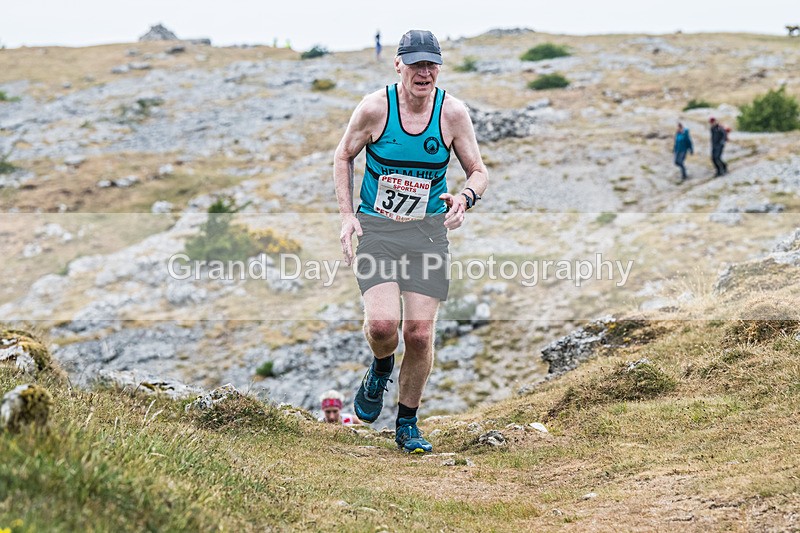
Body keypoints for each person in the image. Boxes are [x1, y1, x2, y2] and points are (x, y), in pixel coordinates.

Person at [333, 29, 488, 453]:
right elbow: (344, 154)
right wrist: (347, 215)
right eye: (415, 63)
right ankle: (380, 367)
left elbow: (478, 170)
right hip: (378, 231)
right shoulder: (374, 108)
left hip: (427, 235)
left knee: (418, 335)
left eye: (431, 64)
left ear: (439, 66)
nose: (424, 72)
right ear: (398, 64)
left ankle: (406, 425)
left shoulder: (452, 113)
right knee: (384, 327)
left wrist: (465, 198)